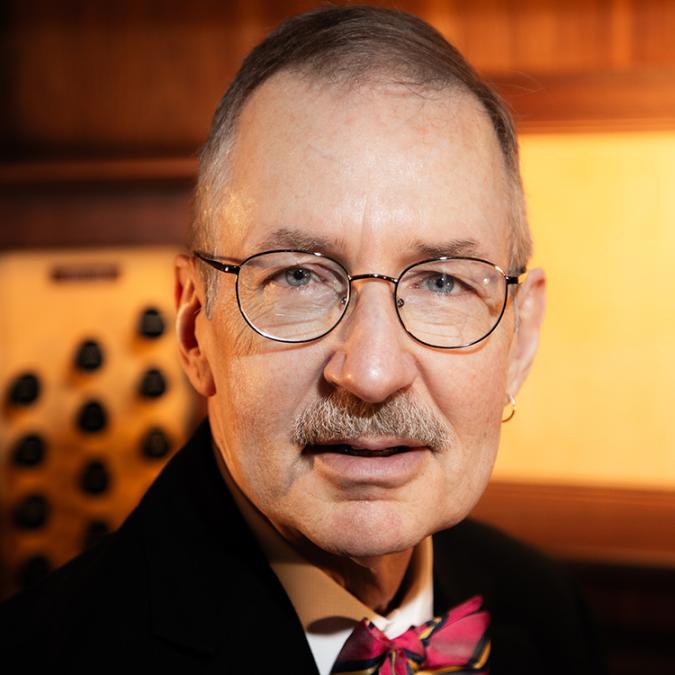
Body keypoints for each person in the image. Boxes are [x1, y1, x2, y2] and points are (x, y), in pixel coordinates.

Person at [1, 5, 606, 674]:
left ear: (517, 338)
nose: (371, 372)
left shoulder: (546, 609)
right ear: (194, 326)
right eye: (298, 275)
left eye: (440, 282)